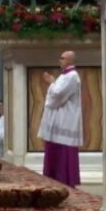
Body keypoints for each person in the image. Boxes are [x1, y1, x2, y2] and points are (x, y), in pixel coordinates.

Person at [38, 50, 83, 186]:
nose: (60, 60)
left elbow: (57, 96)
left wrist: (51, 82)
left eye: (62, 58)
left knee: (63, 151)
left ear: (70, 60)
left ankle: (65, 180)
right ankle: (54, 179)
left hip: (66, 120)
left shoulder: (72, 76)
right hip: (59, 119)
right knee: (55, 148)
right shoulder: (65, 75)